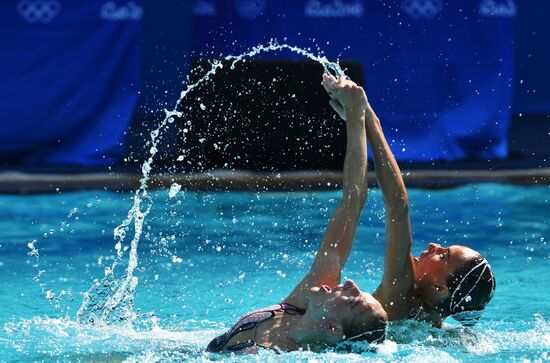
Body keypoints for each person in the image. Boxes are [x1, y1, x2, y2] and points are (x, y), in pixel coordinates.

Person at [206, 74, 387, 354]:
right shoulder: (302, 306)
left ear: (332, 329)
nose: (351, 283)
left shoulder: (271, 355)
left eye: (354, 299)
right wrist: (356, 116)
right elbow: (353, 202)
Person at [325, 74, 496, 328]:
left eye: (444, 256)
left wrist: (363, 114)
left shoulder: (401, 292)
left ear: (439, 288)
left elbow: (398, 204)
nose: (434, 245)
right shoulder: (439, 329)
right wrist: (363, 114)